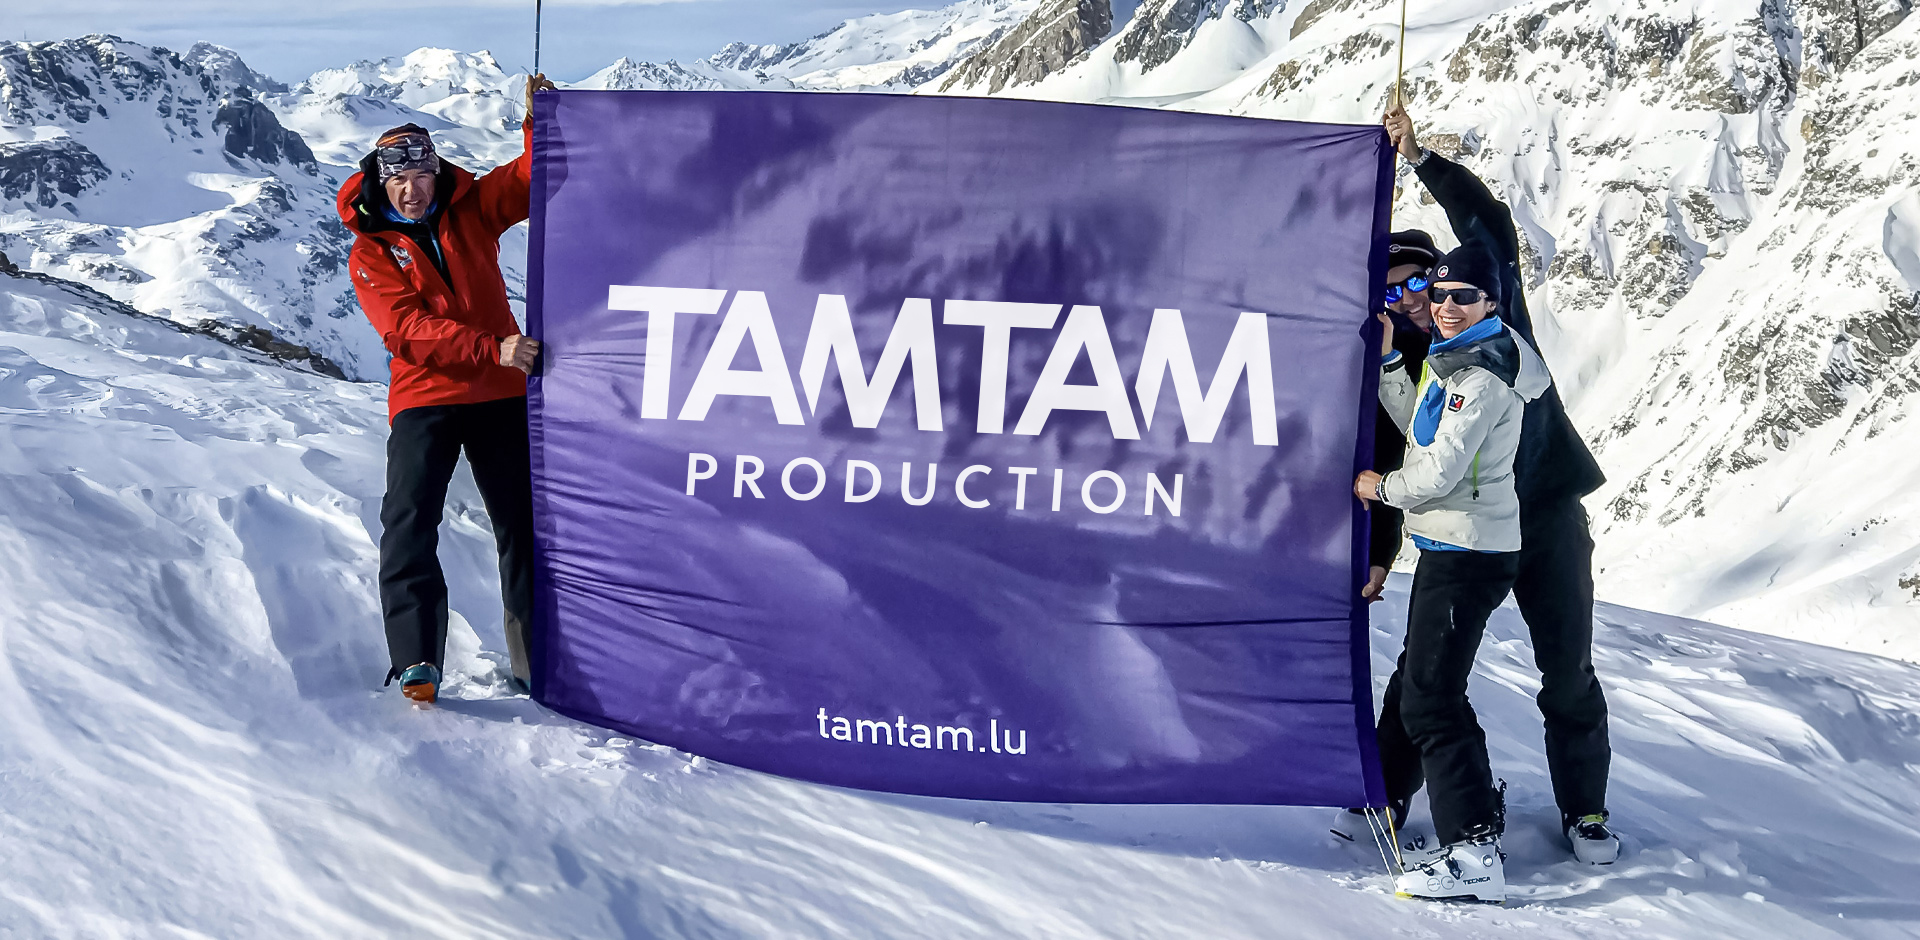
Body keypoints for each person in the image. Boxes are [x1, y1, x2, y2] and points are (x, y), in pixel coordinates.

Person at [339, 73, 557, 704]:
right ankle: (417, 663)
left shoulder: (470, 209)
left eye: (422, 175)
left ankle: (534, 659)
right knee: (408, 523)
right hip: (427, 395)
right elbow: (405, 329)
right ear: (383, 182)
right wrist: (493, 347)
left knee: (524, 525)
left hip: (499, 392)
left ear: (438, 174)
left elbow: (525, 180)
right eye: (399, 180)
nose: (412, 190)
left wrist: (537, 120)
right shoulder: (371, 250)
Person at [1356, 247, 1549, 903]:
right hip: (1453, 547)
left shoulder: (1482, 375)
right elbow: (1423, 427)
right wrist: (1388, 361)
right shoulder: (1461, 357)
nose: (1444, 308)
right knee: (1419, 679)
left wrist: (1379, 487)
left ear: (1491, 302)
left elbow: (1435, 472)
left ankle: (1471, 849)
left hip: (1467, 553)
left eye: (1462, 296)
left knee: (1431, 698)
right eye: (1439, 296)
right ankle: (1380, 801)